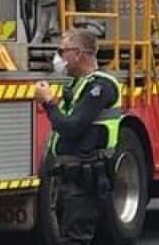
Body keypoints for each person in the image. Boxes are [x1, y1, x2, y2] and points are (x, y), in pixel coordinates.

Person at [34, 28, 122, 245]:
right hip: (71, 176)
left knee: (76, 239)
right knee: (70, 236)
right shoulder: (77, 85)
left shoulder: (100, 86)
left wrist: (48, 102)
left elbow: (72, 127)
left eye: (62, 50)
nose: (58, 56)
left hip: (86, 175)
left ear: (79, 53)